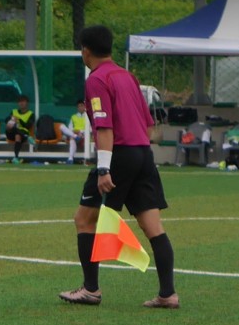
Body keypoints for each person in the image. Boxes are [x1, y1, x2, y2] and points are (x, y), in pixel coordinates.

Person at [60, 25, 178, 309]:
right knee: (153, 227)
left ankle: (90, 289)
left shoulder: (97, 79)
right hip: (143, 154)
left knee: (84, 219)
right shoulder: (127, 76)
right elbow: (149, 125)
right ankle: (168, 294)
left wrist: (104, 169)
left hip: (118, 155)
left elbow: (104, 127)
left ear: (85, 51)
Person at [58, 99, 91, 164]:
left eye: (82, 106)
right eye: (79, 106)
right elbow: (70, 128)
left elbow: (91, 128)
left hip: (84, 135)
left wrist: (80, 131)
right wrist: (74, 131)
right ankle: (75, 136)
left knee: (72, 138)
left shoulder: (88, 116)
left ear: (85, 107)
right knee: (61, 126)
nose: (80, 108)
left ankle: (70, 158)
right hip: (74, 134)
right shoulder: (73, 116)